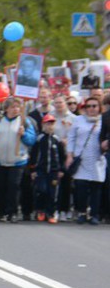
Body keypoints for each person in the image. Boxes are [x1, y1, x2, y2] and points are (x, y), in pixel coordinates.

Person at [0, 97, 37, 223]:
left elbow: (31, 140)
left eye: (18, 107)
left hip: (18, 161)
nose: (16, 109)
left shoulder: (24, 122)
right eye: (13, 107)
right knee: (0, 187)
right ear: (7, 108)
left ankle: (12, 212)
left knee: (14, 186)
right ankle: (1, 211)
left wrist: (24, 134)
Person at [65, 95, 103, 225]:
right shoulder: (78, 120)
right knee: (81, 187)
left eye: (94, 106)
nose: (91, 108)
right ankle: (81, 212)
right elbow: (71, 138)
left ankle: (94, 214)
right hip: (81, 158)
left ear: (99, 108)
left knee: (95, 188)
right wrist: (69, 155)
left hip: (97, 159)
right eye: (88, 106)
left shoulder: (103, 121)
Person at [30, 114, 65, 224]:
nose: (50, 126)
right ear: (43, 125)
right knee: (41, 190)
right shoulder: (39, 139)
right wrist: (33, 170)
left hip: (54, 171)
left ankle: (51, 212)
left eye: (52, 124)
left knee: (52, 193)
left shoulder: (57, 140)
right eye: (47, 124)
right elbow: (34, 155)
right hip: (41, 170)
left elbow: (62, 156)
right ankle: (40, 210)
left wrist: (61, 170)